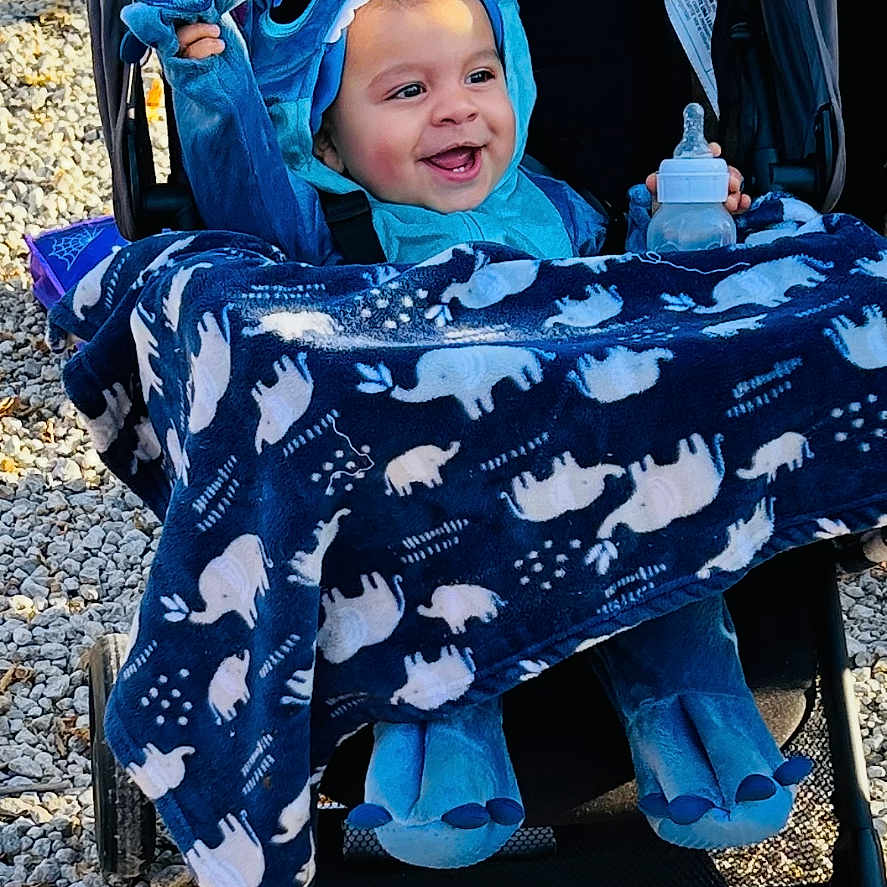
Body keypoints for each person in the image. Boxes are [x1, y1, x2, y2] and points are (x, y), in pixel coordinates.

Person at [122, 0, 807, 868]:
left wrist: (681, 217)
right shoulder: (336, 230)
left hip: (606, 511)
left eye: (481, 76)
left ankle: (697, 725)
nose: (456, 107)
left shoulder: (555, 206)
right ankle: (446, 752)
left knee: (675, 523)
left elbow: (644, 296)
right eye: (408, 89)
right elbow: (244, 194)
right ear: (324, 143)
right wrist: (210, 72)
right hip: (444, 540)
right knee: (423, 580)